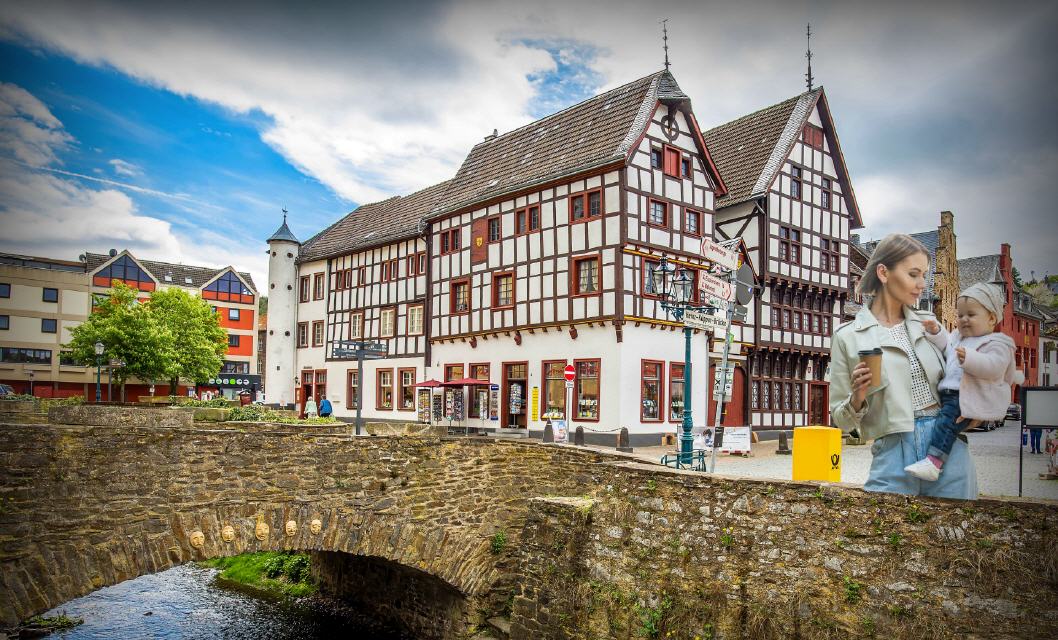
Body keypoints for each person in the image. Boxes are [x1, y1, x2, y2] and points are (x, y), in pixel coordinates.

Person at [830, 234, 977, 499]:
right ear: (884, 273)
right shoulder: (847, 337)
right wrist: (857, 397)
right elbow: (840, 421)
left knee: (958, 538)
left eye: (924, 275)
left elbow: (960, 378)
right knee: (884, 535)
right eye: (913, 274)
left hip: (945, 448)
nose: (922, 285)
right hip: (892, 449)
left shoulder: (930, 325)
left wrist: (973, 410)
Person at [904, 283, 1022, 481]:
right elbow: (946, 347)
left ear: (992, 318)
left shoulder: (997, 344)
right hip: (950, 394)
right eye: (960, 315)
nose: (964, 320)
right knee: (943, 424)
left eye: (971, 315)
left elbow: (994, 366)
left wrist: (970, 359)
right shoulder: (959, 338)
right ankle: (933, 460)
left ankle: (934, 463)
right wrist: (936, 331)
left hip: (967, 396)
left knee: (945, 424)